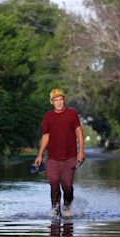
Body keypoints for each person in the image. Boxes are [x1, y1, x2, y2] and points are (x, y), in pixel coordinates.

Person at [34, 88, 85, 216]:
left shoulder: (72, 114)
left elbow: (78, 131)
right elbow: (46, 136)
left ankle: (67, 206)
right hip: (52, 158)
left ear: (64, 100)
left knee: (67, 185)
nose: (59, 102)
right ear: (52, 102)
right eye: (56, 100)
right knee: (54, 184)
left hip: (70, 157)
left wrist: (81, 151)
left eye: (61, 99)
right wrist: (40, 155)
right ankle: (55, 210)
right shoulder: (48, 116)